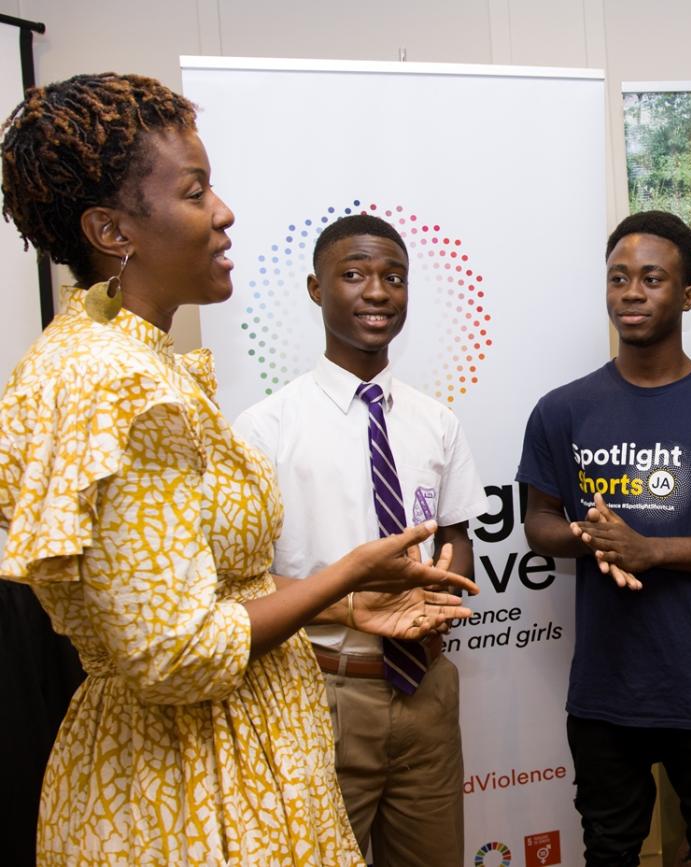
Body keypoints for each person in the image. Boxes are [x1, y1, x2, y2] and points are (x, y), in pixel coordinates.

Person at [0, 73, 476, 865]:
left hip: (234, 760)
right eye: (196, 191)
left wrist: (350, 599)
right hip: (192, 792)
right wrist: (342, 578)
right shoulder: (113, 384)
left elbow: (203, 596)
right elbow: (173, 652)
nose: (223, 213)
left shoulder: (135, 363)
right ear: (111, 230)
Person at [518, 210, 691, 866]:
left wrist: (654, 549)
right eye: (618, 278)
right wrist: (594, 538)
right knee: (610, 850)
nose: (631, 292)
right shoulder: (564, 409)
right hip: (607, 689)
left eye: (651, 278)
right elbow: (538, 524)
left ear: (689, 294)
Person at [235, 212, 484, 866]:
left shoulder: (438, 422)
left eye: (393, 277)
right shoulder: (265, 429)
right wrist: (349, 602)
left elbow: (458, 534)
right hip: (319, 692)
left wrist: (441, 586)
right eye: (354, 274)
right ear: (317, 289)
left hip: (425, 690)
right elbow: (239, 585)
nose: (377, 291)